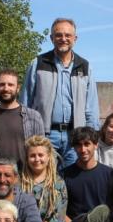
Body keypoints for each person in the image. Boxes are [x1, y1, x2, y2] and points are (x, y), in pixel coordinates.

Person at [20, 17, 99, 167]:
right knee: (45, 182)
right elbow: (25, 104)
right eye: (59, 35)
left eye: (67, 35)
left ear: (75, 38)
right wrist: (28, 136)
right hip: (45, 136)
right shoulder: (38, 63)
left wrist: (92, 137)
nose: (63, 39)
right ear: (51, 38)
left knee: (73, 184)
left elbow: (91, 107)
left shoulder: (85, 66)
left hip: (76, 137)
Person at [20, 136, 69, 222]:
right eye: (32, 155)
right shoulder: (19, 182)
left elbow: (57, 216)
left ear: (48, 157)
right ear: (26, 158)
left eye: (41, 155)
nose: (37, 159)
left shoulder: (58, 182)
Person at [0, 69, 44, 169]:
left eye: (10, 85)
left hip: (25, 178)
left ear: (18, 88)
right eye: (2, 84)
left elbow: (42, 151)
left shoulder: (33, 117)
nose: (6, 88)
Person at [63, 127, 113, 219]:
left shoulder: (109, 174)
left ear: (96, 145)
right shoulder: (64, 175)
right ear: (74, 148)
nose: (83, 150)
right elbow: (60, 211)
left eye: (87, 144)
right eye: (79, 145)